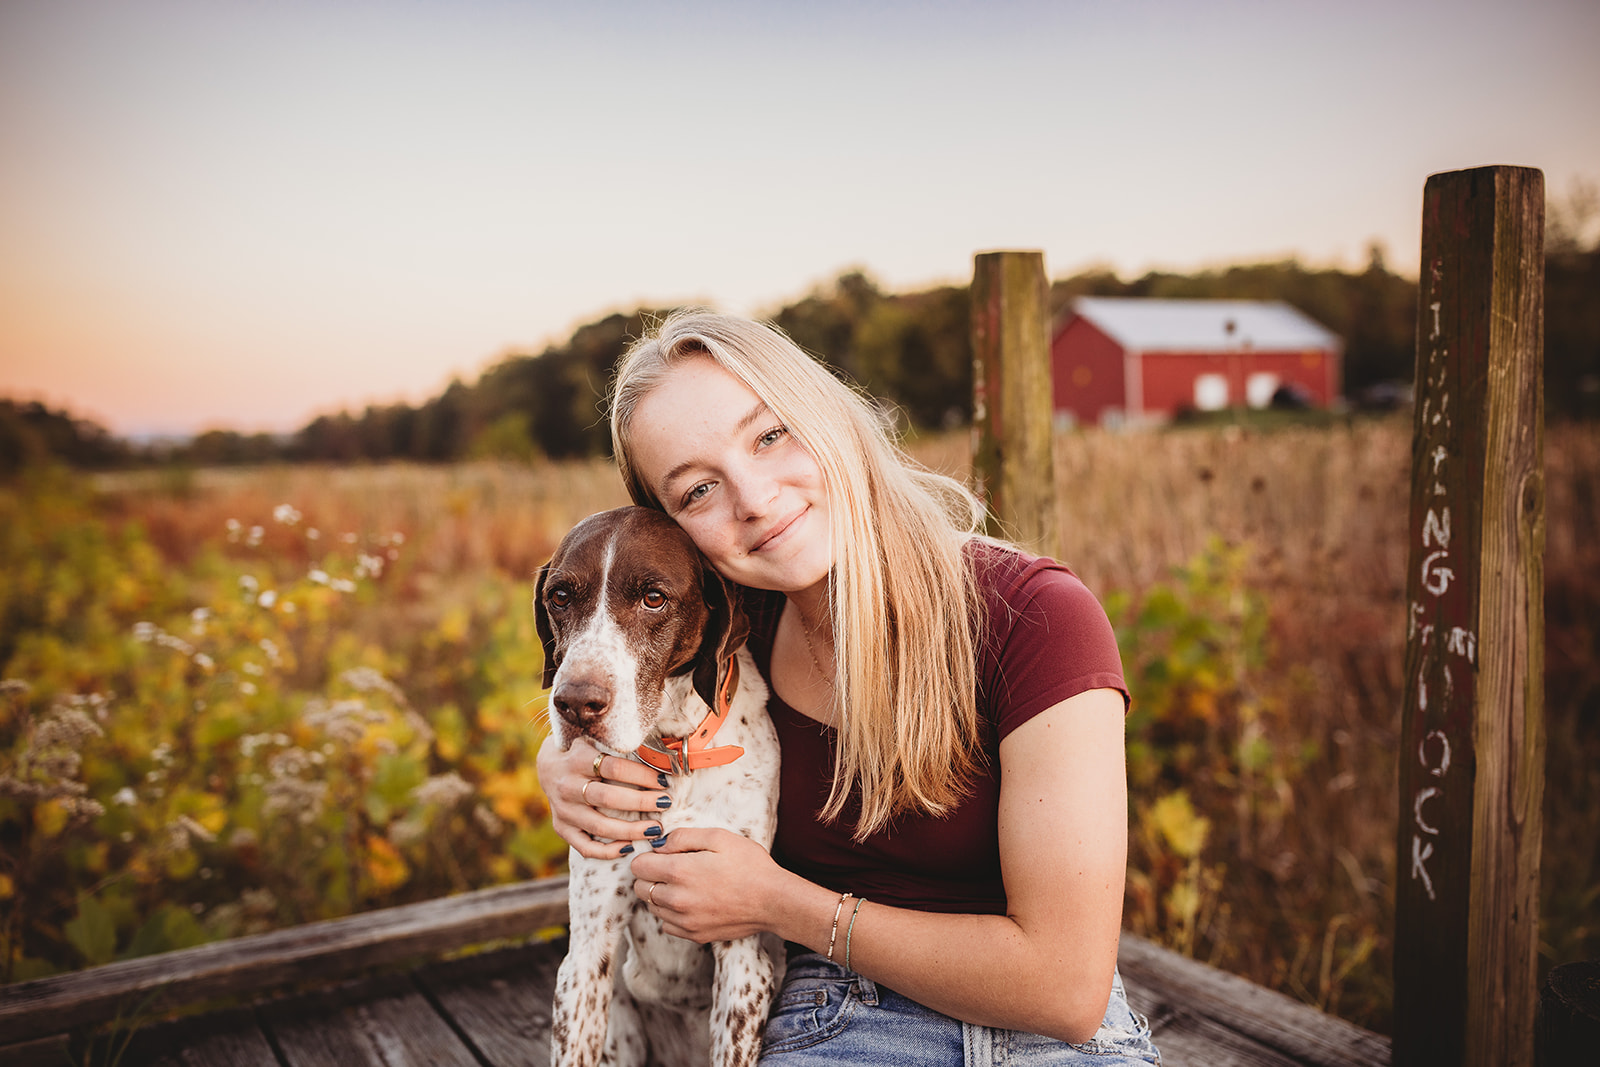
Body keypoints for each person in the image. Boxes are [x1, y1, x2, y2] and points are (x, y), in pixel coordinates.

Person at [535, 310, 1160, 1064]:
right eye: (698, 489)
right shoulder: (732, 631)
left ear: (830, 415)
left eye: (770, 435)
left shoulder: (1035, 618)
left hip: (1043, 1040)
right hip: (826, 1023)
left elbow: (1064, 989)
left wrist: (778, 901)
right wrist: (563, 762)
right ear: (670, 530)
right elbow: (613, 675)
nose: (757, 499)